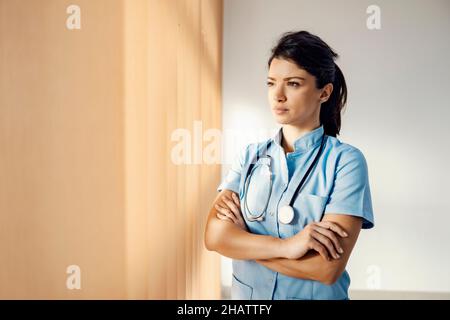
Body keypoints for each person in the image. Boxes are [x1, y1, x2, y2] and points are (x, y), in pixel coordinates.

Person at [204, 30, 374, 300]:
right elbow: (214, 236)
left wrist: (243, 244)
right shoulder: (249, 156)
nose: (278, 95)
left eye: (293, 83)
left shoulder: (347, 162)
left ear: (324, 92)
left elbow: (326, 268)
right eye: (271, 83)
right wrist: (289, 246)